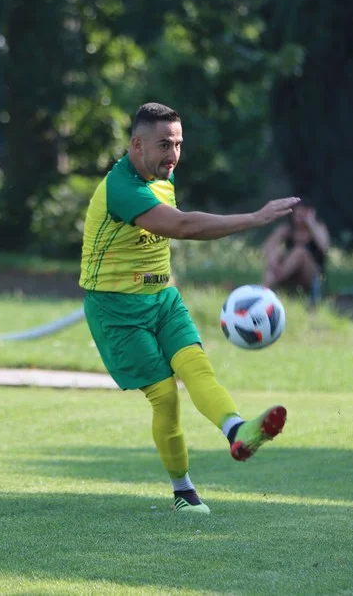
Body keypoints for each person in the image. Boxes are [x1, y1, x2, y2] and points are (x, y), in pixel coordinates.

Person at [80, 103, 295, 515]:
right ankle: (184, 491)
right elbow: (182, 226)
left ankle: (239, 432)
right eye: (164, 145)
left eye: (178, 144)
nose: (173, 155)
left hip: (163, 298)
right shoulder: (121, 188)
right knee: (164, 396)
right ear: (136, 145)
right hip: (116, 309)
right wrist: (254, 218)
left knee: (196, 366)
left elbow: (176, 222)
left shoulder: (164, 174)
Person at [262, 203, 330, 300]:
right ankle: (263, 290)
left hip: (311, 274)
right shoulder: (287, 229)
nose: (299, 219)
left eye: (302, 215)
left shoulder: (318, 228)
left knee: (299, 251)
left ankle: (278, 276)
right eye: (297, 215)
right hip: (290, 273)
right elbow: (268, 247)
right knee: (277, 253)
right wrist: (273, 260)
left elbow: (325, 247)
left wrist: (311, 223)